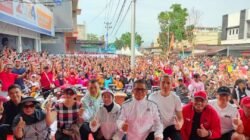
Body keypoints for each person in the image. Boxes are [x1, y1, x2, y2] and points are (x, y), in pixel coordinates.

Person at [148, 74, 183, 140]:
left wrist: (180, 124)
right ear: (159, 83)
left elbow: (180, 118)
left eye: (168, 83)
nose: (165, 85)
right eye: (163, 82)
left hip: (170, 127)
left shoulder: (176, 98)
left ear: (171, 85)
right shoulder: (152, 97)